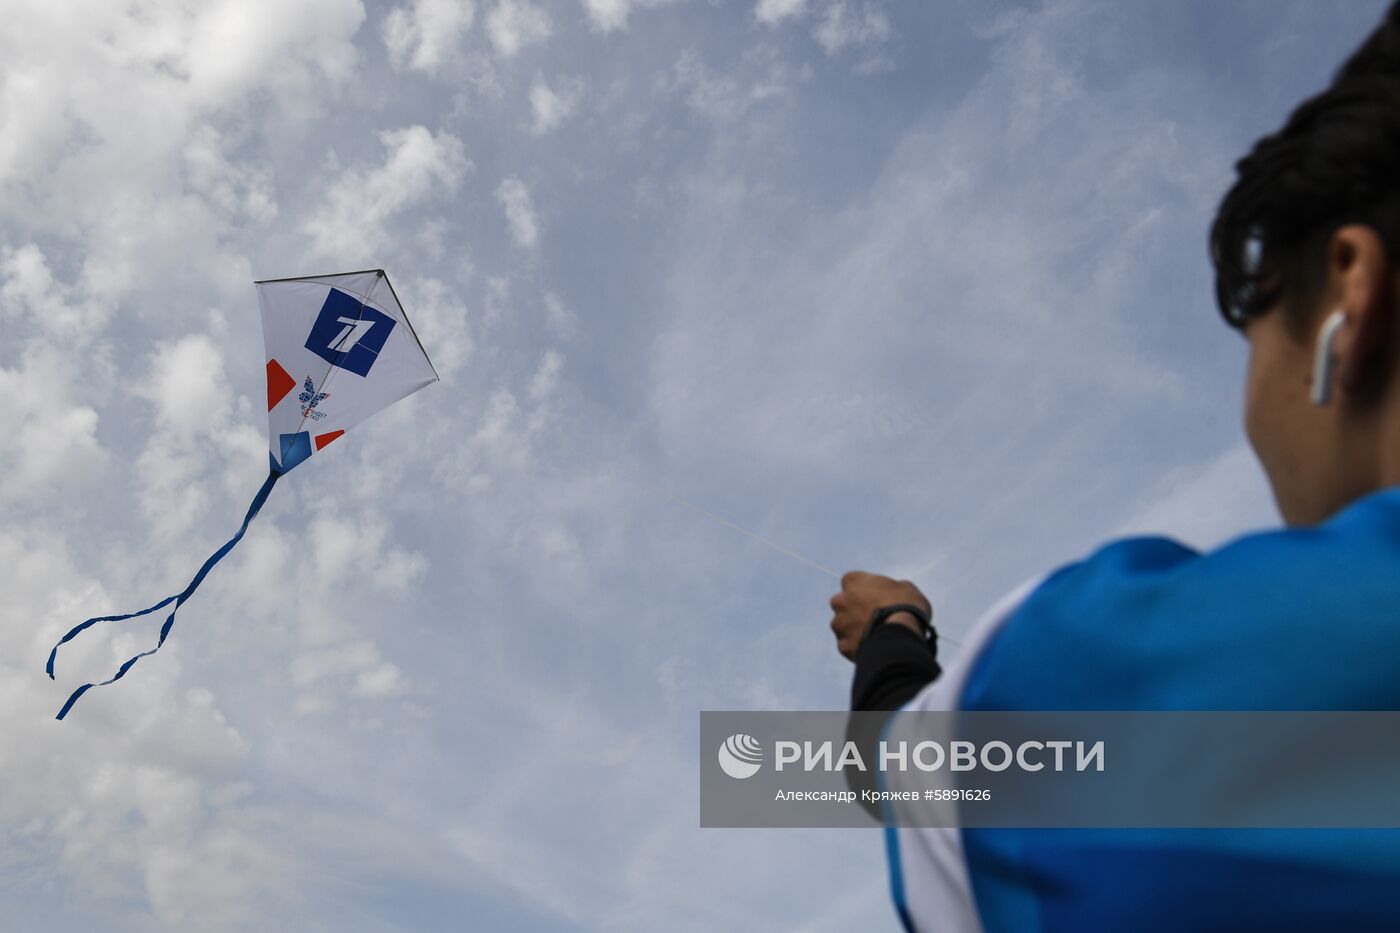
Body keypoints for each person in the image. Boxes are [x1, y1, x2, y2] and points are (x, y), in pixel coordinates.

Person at [828, 3, 1400, 930]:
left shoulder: (1140, 660)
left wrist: (894, 625)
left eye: (1252, 329)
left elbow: (896, 767)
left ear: (1348, 289)